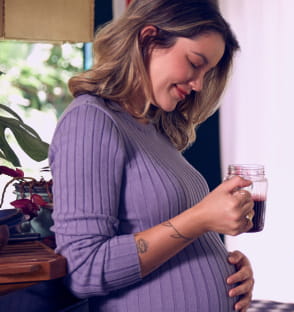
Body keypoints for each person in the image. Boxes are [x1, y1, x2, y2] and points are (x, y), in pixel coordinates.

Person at [49, 0, 255, 311]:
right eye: (195, 62)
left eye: (207, 72)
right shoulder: (91, 120)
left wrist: (227, 267)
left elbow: (170, 237)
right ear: (148, 39)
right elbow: (84, 269)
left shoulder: (152, 129)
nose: (199, 84)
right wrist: (200, 220)